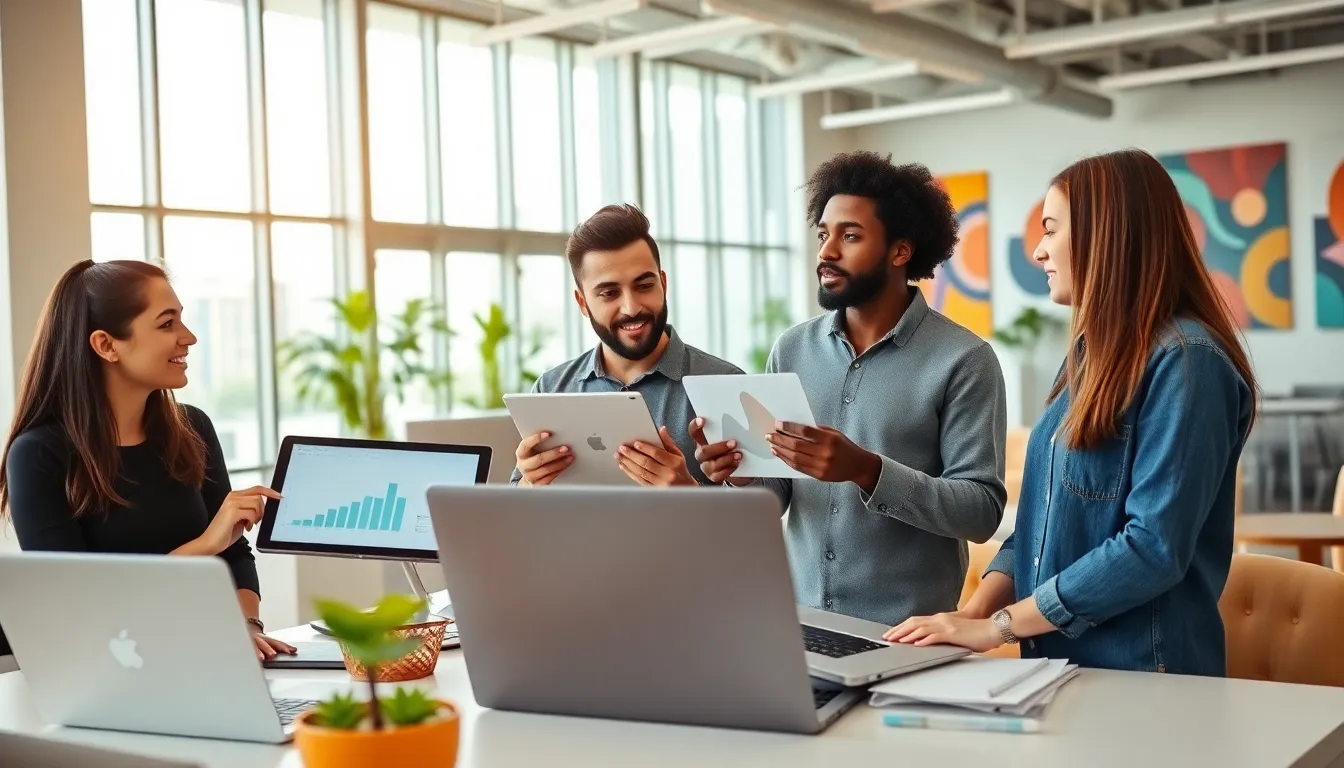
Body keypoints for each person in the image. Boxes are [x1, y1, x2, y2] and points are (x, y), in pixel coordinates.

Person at [884, 148, 1258, 676]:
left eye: (1052, 229)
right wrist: (968, 615)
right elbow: (1042, 524)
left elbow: (1152, 548)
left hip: (1144, 679)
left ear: (1108, 236)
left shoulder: (1188, 363)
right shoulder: (1089, 359)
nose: (1038, 251)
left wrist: (999, 628)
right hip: (1063, 669)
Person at [692, 151, 1007, 627]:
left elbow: (981, 512)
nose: (826, 252)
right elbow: (777, 493)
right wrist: (738, 474)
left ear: (900, 251)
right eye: (823, 235)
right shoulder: (792, 349)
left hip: (910, 635)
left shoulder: (964, 361)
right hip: (801, 626)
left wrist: (866, 470)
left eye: (850, 236)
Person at [0, 259, 295, 661]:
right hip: (108, 670)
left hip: (204, 656)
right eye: (166, 324)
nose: (188, 337)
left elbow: (234, 554)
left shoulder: (193, 428)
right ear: (106, 345)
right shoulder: (39, 454)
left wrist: (245, 627)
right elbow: (77, 603)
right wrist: (206, 544)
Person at [511, 204, 743, 487]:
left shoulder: (724, 383)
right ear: (583, 303)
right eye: (609, 293)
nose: (631, 308)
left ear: (663, 283)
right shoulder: (551, 389)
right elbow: (520, 508)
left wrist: (690, 494)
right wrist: (528, 486)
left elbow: (762, 512)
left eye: (644, 285)